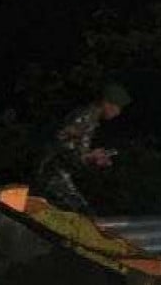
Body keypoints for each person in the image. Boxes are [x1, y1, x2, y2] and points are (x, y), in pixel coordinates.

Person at [34, 83, 131, 214]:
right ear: (105, 102)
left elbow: (73, 147)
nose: (118, 112)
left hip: (58, 173)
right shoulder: (85, 117)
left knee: (80, 212)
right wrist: (87, 157)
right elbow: (61, 141)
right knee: (82, 213)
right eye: (117, 107)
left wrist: (91, 157)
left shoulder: (91, 118)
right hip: (52, 173)